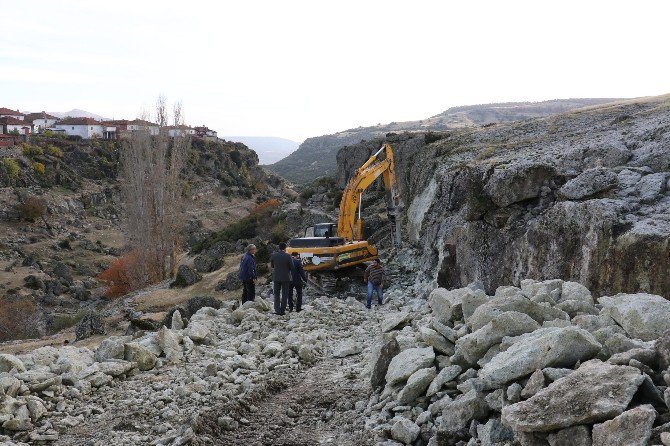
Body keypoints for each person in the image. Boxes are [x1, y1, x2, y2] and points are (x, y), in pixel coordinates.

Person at [270, 242, 295, 315]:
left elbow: (272, 266)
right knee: (285, 294)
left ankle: (277, 310)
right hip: (286, 277)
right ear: (285, 248)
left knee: (276, 294)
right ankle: (282, 310)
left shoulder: (274, 256)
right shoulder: (288, 256)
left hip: (276, 277)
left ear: (279, 248)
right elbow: (292, 267)